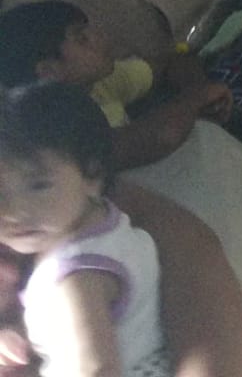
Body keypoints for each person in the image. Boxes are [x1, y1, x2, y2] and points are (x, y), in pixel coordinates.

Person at [0, 82, 167, 376]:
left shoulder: (75, 277)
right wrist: (24, 336)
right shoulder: (104, 224)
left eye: (38, 185)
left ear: (93, 175)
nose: (15, 211)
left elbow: (95, 369)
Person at [0, 0, 232, 170]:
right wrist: (196, 99)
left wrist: (198, 90)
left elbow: (174, 61)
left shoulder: (97, 84)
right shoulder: (55, 129)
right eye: (82, 38)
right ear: (49, 73)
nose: (99, 36)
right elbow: (158, 137)